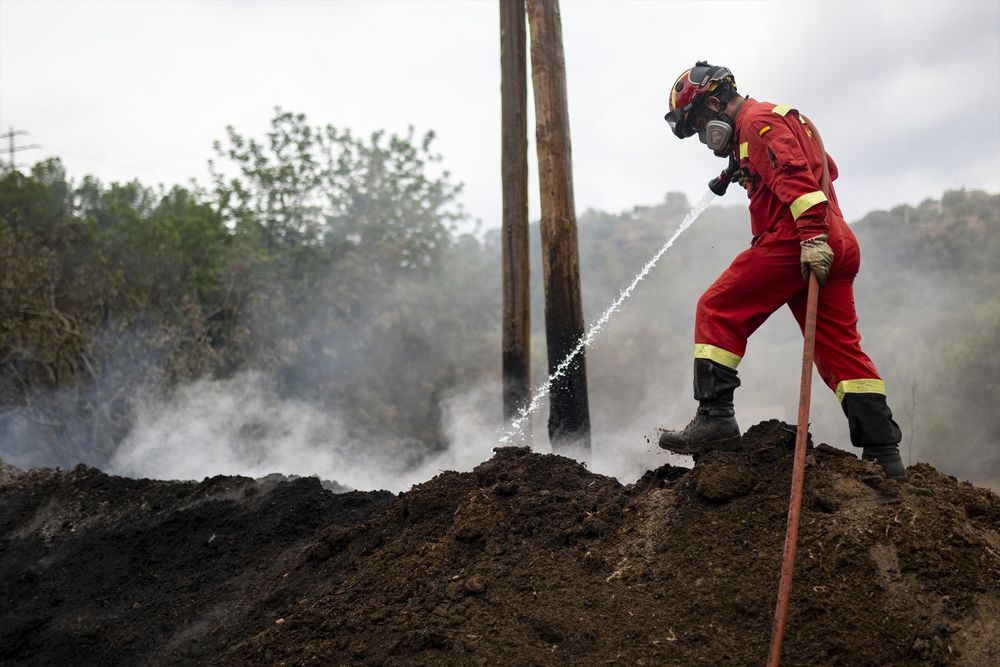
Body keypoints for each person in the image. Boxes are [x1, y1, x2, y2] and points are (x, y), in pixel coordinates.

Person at [657, 61, 904, 477]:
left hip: (797, 238)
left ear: (715, 103)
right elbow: (825, 166)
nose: (702, 137)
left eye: (699, 124)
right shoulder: (773, 122)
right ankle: (885, 453)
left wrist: (809, 238)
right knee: (840, 350)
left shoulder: (758, 123)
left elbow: (796, 178)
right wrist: (740, 168)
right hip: (838, 239)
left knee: (716, 307)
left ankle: (715, 417)